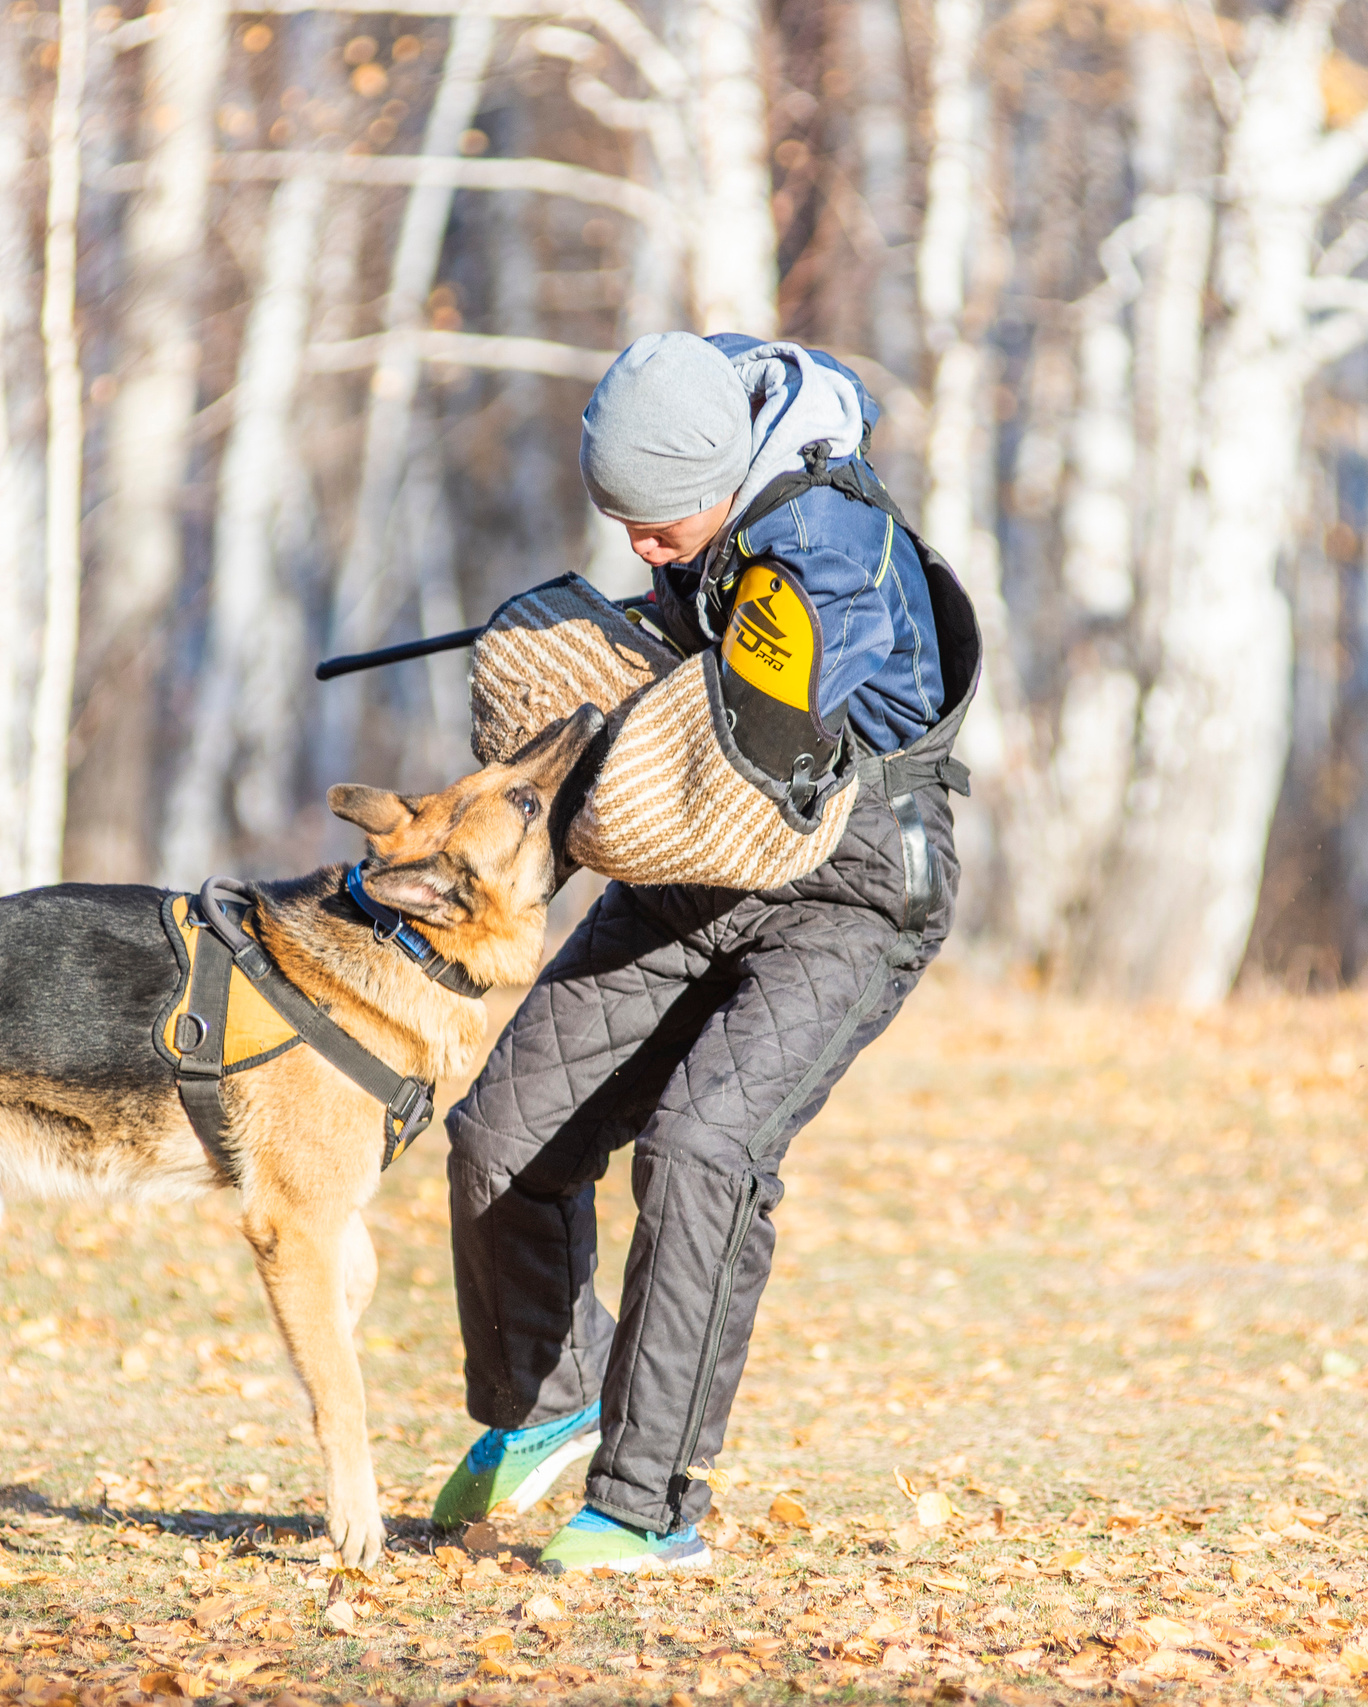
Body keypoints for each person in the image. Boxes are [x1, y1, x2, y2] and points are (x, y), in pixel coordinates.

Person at [430, 331, 974, 1574]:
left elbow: (768, 729)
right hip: (701, 855)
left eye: (661, 524)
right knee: (503, 1133)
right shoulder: (699, 410)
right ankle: (550, 1399)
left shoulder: (824, 553)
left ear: (729, 478)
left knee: (702, 1150)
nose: (639, 544)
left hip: (851, 881)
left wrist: (629, 703)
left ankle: (643, 1504)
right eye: (618, 517)